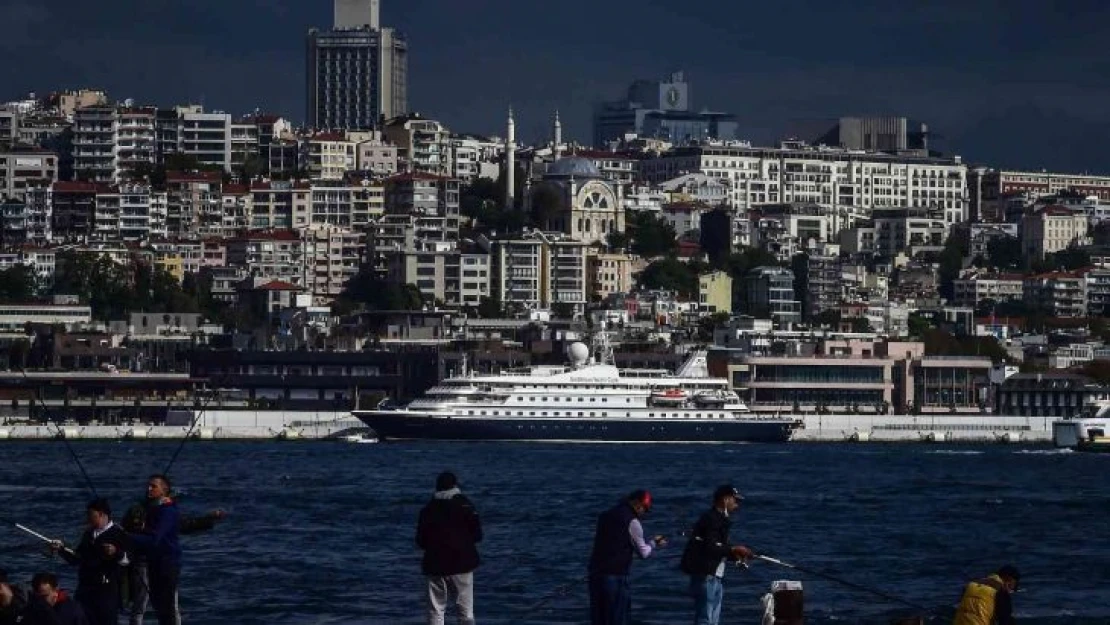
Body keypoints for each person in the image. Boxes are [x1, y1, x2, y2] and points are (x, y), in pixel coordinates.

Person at [121, 490, 224, 625]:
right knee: (142, 606)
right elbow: (127, 533)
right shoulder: (141, 512)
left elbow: (186, 524)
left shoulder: (165, 515)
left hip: (159, 564)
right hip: (143, 563)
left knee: (166, 606)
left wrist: (208, 519)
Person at [586, 490, 665, 625]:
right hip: (615, 577)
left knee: (599, 619)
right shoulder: (632, 521)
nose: (644, 513)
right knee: (618, 618)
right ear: (637, 504)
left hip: (595, 573)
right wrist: (654, 543)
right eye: (645, 509)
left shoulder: (605, 515)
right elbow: (644, 553)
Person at [680, 484, 754, 625]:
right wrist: (734, 549)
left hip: (715, 577)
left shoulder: (719, 520)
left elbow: (719, 548)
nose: (737, 505)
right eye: (735, 500)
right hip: (706, 576)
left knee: (712, 620)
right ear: (725, 500)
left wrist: (735, 554)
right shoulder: (712, 519)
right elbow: (711, 547)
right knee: (705, 619)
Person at [415, 471, 482, 625]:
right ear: (455, 485)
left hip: (435, 565)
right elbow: (477, 535)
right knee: (465, 612)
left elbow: (420, 541)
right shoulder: (465, 505)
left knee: (436, 612)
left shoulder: (428, 509)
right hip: (462, 564)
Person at [52, 499, 131, 625]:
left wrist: (116, 552)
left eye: (91, 515)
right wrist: (61, 550)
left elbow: (127, 560)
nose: (88, 519)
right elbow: (77, 558)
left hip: (106, 590)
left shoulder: (118, 533)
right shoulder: (88, 534)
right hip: (85, 589)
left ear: (102, 514)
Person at [127, 475, 181, 625]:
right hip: (155, 563)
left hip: (166, 564)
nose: (149, 489)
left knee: (166, 607)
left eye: (153, 486)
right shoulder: (155, 509)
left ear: (164, 490)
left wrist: (127, 537)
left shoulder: (167, 512)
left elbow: (154, 539)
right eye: (148, 486)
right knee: (159, 606)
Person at [952, 565, 1020, 625]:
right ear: (1009, 580)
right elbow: (1005, 621)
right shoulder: (1000, 591)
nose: (1011, 591)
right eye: (1013, 587)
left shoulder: (971, 585)